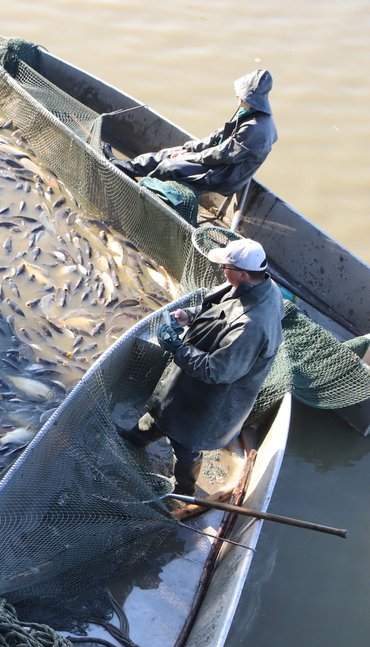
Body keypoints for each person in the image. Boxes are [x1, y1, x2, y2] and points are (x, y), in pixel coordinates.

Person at [119, 238, 283, 495]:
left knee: (185, 446)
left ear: (242, 273)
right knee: (159, 415)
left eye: (225, 266)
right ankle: (136, 439)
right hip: (190, 384)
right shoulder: (257, 283)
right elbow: (218, 306)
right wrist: (190, 315)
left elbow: (215, 371)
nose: (221, 270)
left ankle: (183, 490)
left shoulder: (252, 326)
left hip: (210, 402)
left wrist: (176, 346)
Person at [103, 69, 277, 197]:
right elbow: (218, 136)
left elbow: (223, 154)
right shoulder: (247, 111)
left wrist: (189, 157)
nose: (237, 97)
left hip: (224, 174)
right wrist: (190, 147)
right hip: (217, 162)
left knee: (170, 165)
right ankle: (123, 167)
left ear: (253, 99)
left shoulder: (256, 128)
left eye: (242, 95)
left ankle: (142, 192)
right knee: (167, 153)